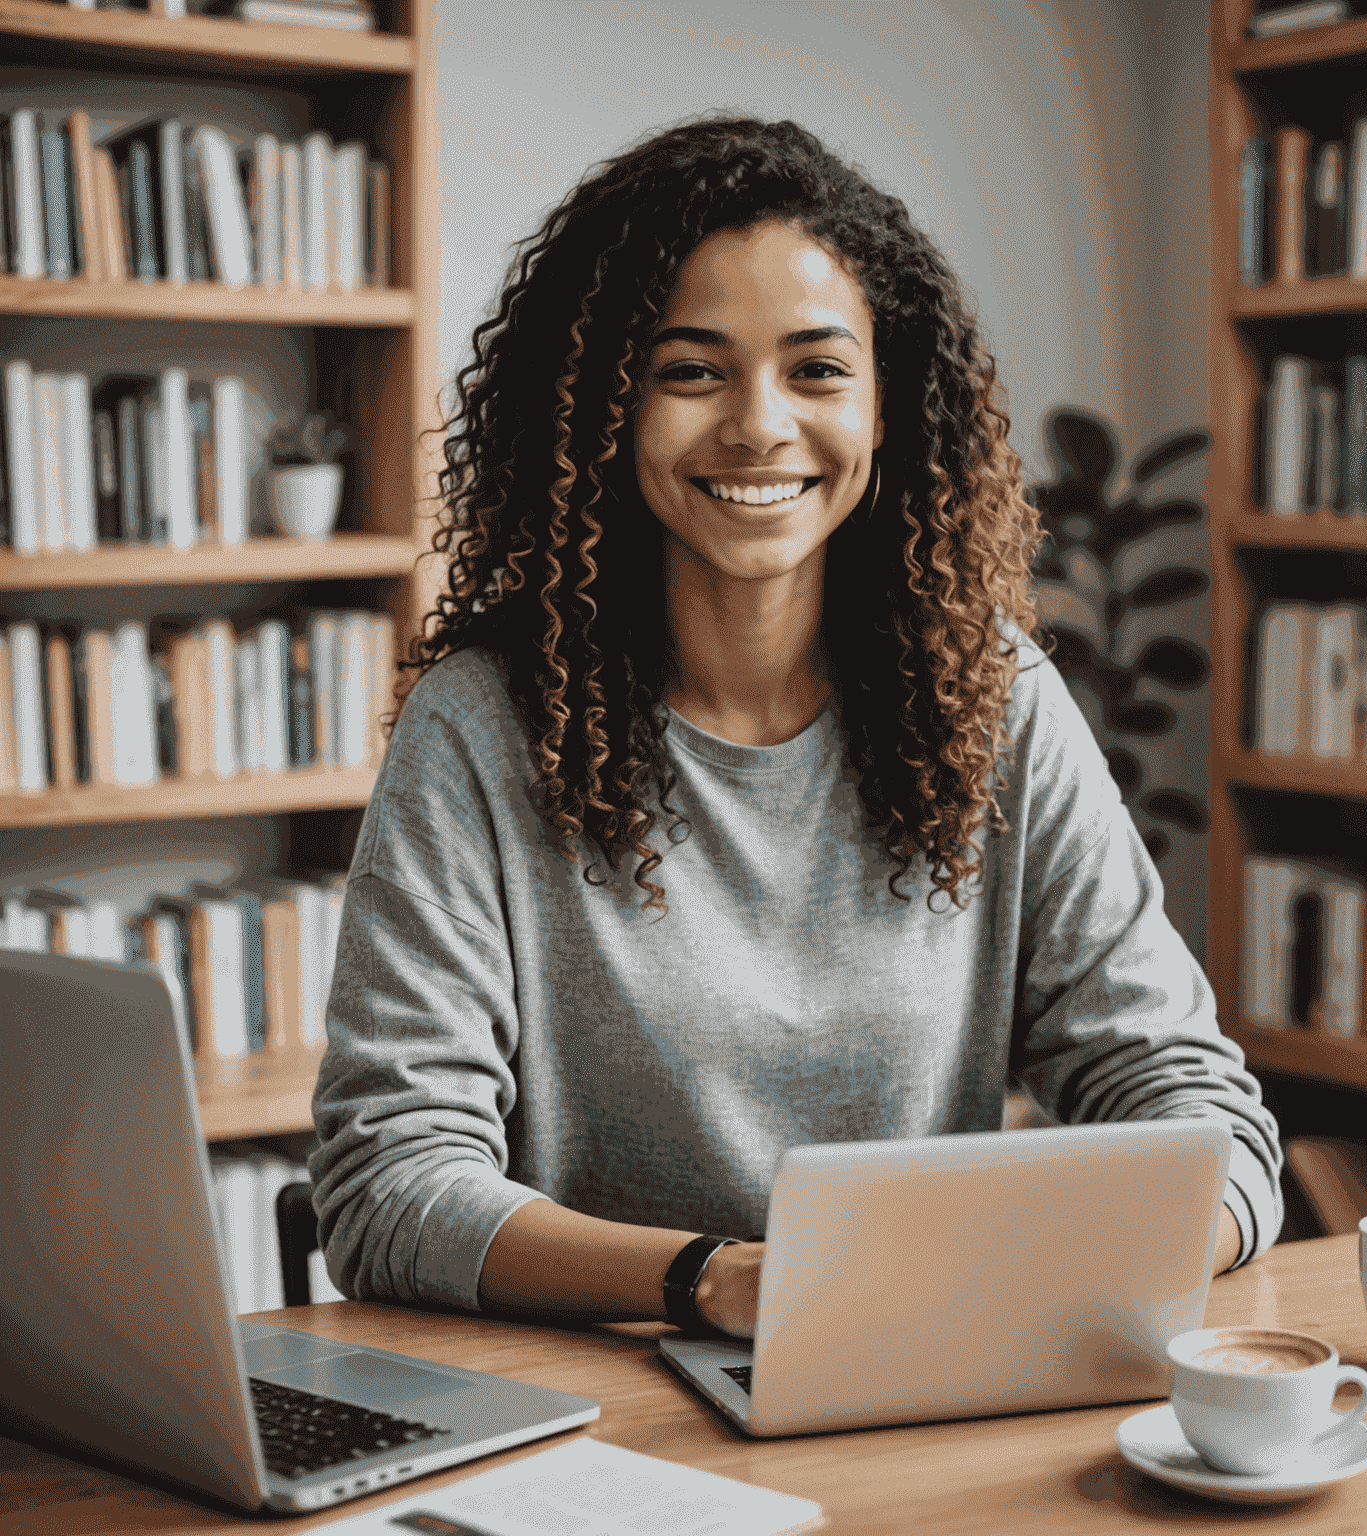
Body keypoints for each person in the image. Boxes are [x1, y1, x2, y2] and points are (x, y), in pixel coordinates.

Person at [310, 115, 1282, 1340]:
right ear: (605, 405)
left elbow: (1198, 1109)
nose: (760, 425)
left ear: (888, 408)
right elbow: (387, 1190)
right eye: (691, 369)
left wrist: (1103, 1247)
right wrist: (713, 1279)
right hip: (598, 1408)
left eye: (817, 369)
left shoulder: (995, 698)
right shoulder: (481, 728)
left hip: (917, 1377)